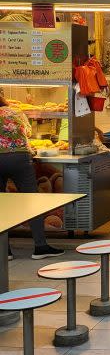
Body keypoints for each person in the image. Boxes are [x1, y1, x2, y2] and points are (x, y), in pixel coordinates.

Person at [0, 92, 64, 260]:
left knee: (1, 205)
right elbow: (27, 133)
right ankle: (40, 247)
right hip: (20, 158)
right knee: (32, 202)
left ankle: (4, 252)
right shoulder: (15, 112)